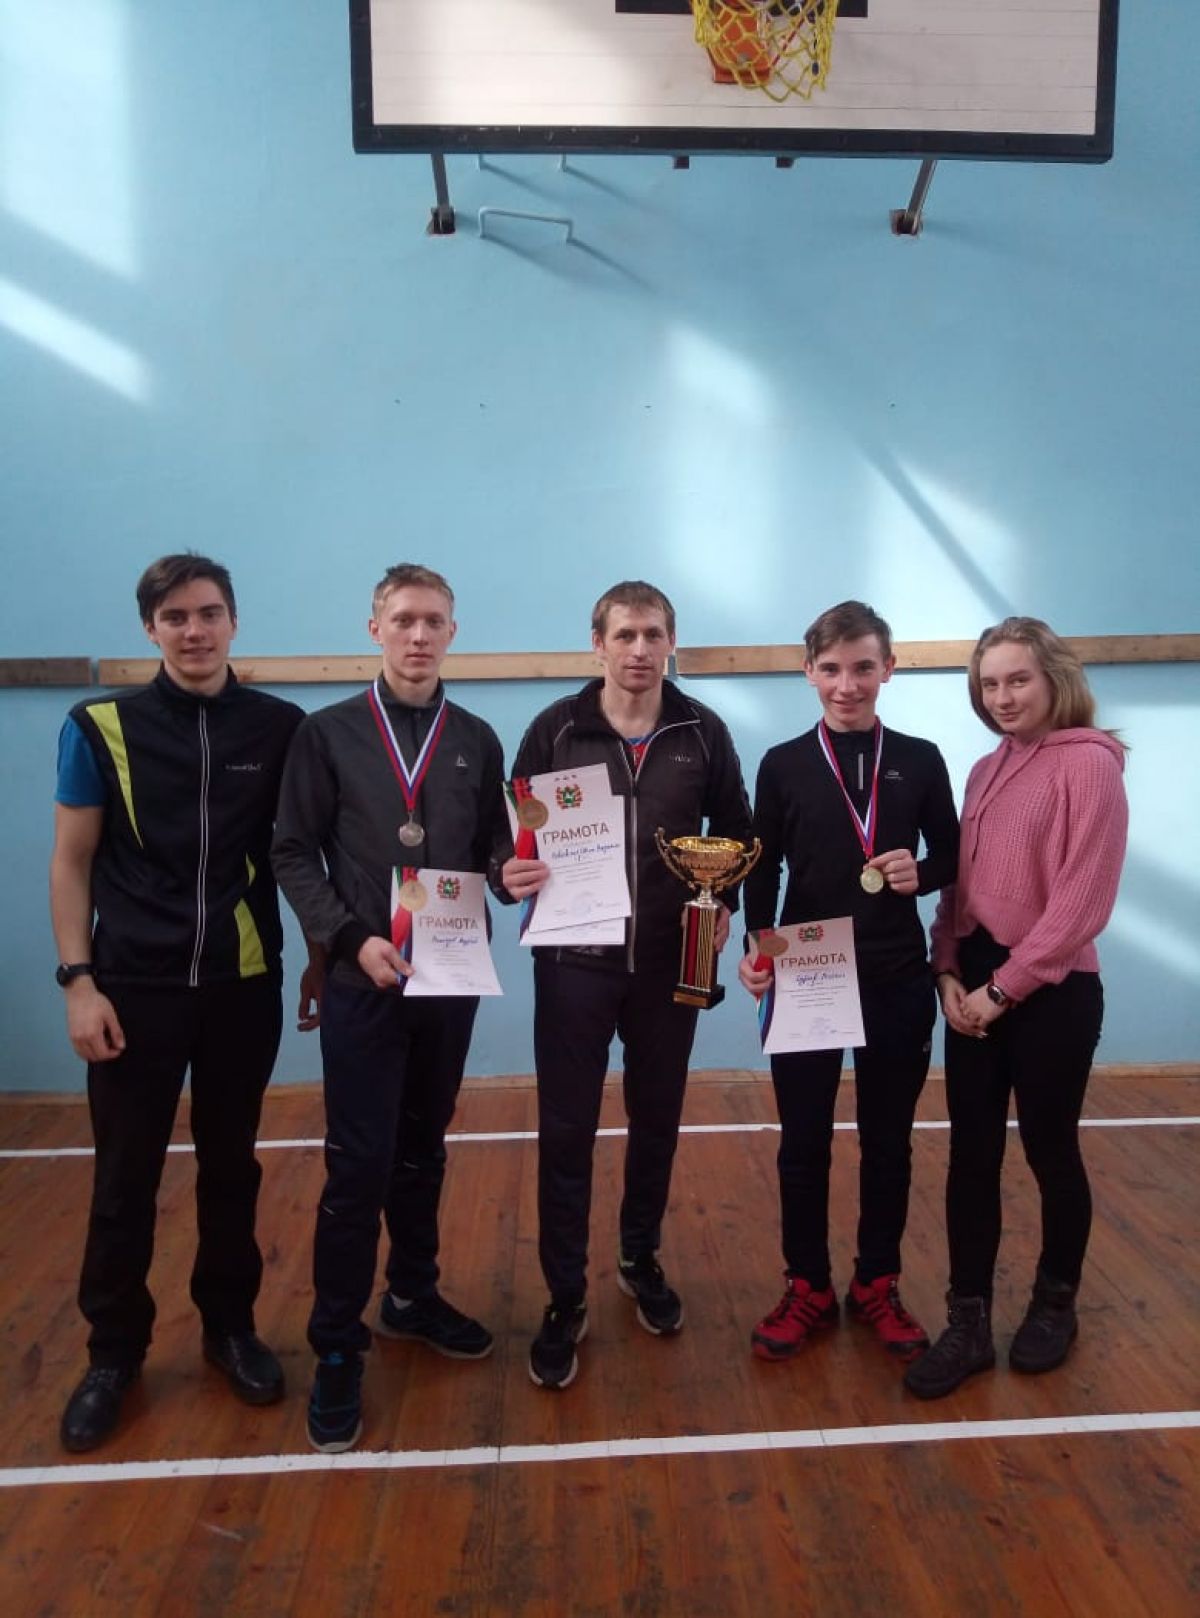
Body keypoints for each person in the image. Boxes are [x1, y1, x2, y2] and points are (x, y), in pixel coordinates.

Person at [51, 553, 314, 1453]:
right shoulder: (98, 726)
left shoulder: (280, 727)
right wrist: (79, 982)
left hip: (243, 987)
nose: (193, 630)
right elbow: (71, 862)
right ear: (150, 629)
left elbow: (297, 856)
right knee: (124, 1179)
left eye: (208, 613)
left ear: (234, 621)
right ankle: (113, 1355)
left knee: (231, 1168)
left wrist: (323, 956)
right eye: (174, 617)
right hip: (132, 991)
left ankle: (229, 1329)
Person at [271, 563, 512, 1452]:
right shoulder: (327, 733)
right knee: (359, 1161)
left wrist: (515, 873)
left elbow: (493, 850)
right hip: (363, 978)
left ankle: (411, 1293)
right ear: (375, 627)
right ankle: (337, 1344)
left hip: (450, 978)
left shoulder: (477, 738)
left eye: (434, 621)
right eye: (404, 619)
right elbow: (292, 851)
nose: (419, 635)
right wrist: (347, 937)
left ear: (453, 633)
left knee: (423, 1146)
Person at [502, 580, 753, 1390]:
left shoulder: (702, 731)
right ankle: (564, 1294)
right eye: (624, 635)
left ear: (670, 642)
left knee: (657, 1120)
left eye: (653, 634)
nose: (639, 649)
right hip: (573, 964)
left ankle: (639, 1256)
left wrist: (722, 903)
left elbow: (737, 830)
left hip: (670, 965)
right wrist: (509, 872)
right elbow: (512, 837)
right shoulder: (555, 729)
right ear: (597, 643)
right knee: (566, 1129)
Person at [904, 618, 1128, 1399]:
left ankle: (1054, 1304)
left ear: (1053, 678)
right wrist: (946, 970)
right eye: (989, 684)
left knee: (1049, 1148)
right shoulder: (984, 769)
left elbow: (1081, 906)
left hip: (1052, 992)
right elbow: (961, 887)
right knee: (971, 1155)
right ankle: (967, 1323)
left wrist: (1004, 991)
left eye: (1017, 680)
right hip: (974, 984)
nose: (1002, 697)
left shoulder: (1090, 765)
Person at [738, 601, 959, 1365]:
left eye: (863, 667)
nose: (847, 684)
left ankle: (877, 1283)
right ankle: (807, 1284)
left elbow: (952, 855)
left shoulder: (921, 759)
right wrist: (757, 945)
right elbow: (761, 867)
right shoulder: (782, 763)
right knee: (802, 1142)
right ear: (809, 673)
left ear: (888, 669)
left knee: (887, 1142)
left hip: (895, 976)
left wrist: (920, 871)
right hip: (808, 971)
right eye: (831, 669)